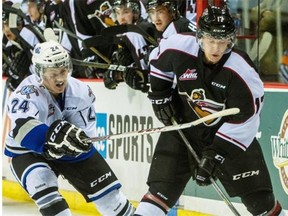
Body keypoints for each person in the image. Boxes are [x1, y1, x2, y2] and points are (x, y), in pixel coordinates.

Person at [134, 5, 285, 216]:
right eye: (211, 40)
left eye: (222, 41)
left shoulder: (242, 72)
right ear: (200, 37)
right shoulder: (178, 46)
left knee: (261, 202)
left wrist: (216, 155)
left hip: (228, 138)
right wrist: (160, 95)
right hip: (183, 127)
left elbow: (247, 118)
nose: (215, 48)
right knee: (160, 191)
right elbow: (157, 62)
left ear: (230, 40)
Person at [4, 40, 135, 216]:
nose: (60, 79)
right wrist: (53, 137)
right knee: (47, 191)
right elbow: (23, 131)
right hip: (27, 151)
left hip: (68, 149)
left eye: (63, 71)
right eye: (53, 74)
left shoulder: (80, 91)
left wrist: (77, 142)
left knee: (112, 201)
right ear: (39, 73)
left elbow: (85, 138)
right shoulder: (26, 93)